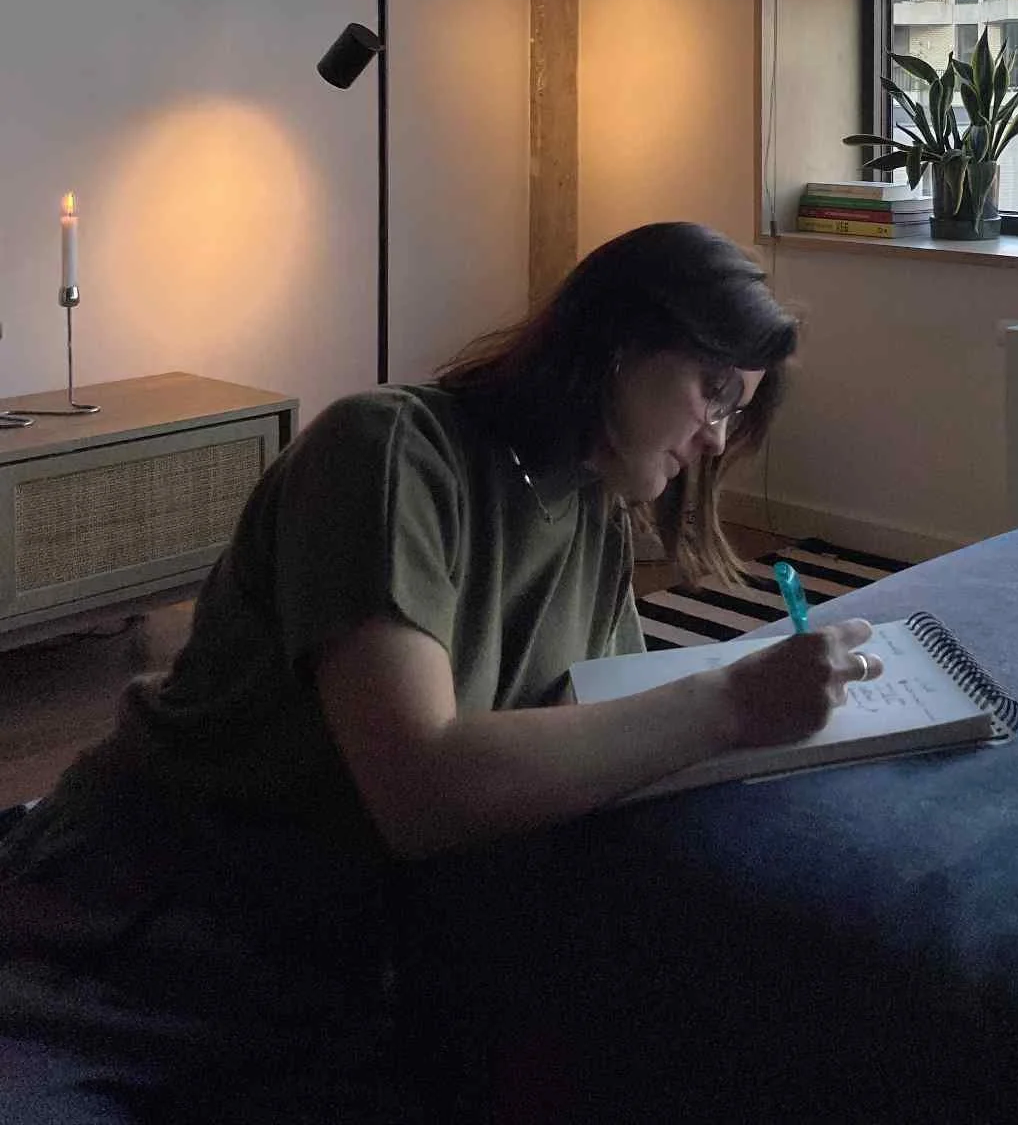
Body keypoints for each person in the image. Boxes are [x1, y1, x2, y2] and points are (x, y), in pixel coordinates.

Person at [0, 222, 881, 1123]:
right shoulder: (386, 452)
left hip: (330, 972)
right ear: (620, 344)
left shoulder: (592, 517)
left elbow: (596, 740)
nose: (717, 438)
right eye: (715, 391)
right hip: (132, 920)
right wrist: (729, 700)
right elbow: (419, 787)